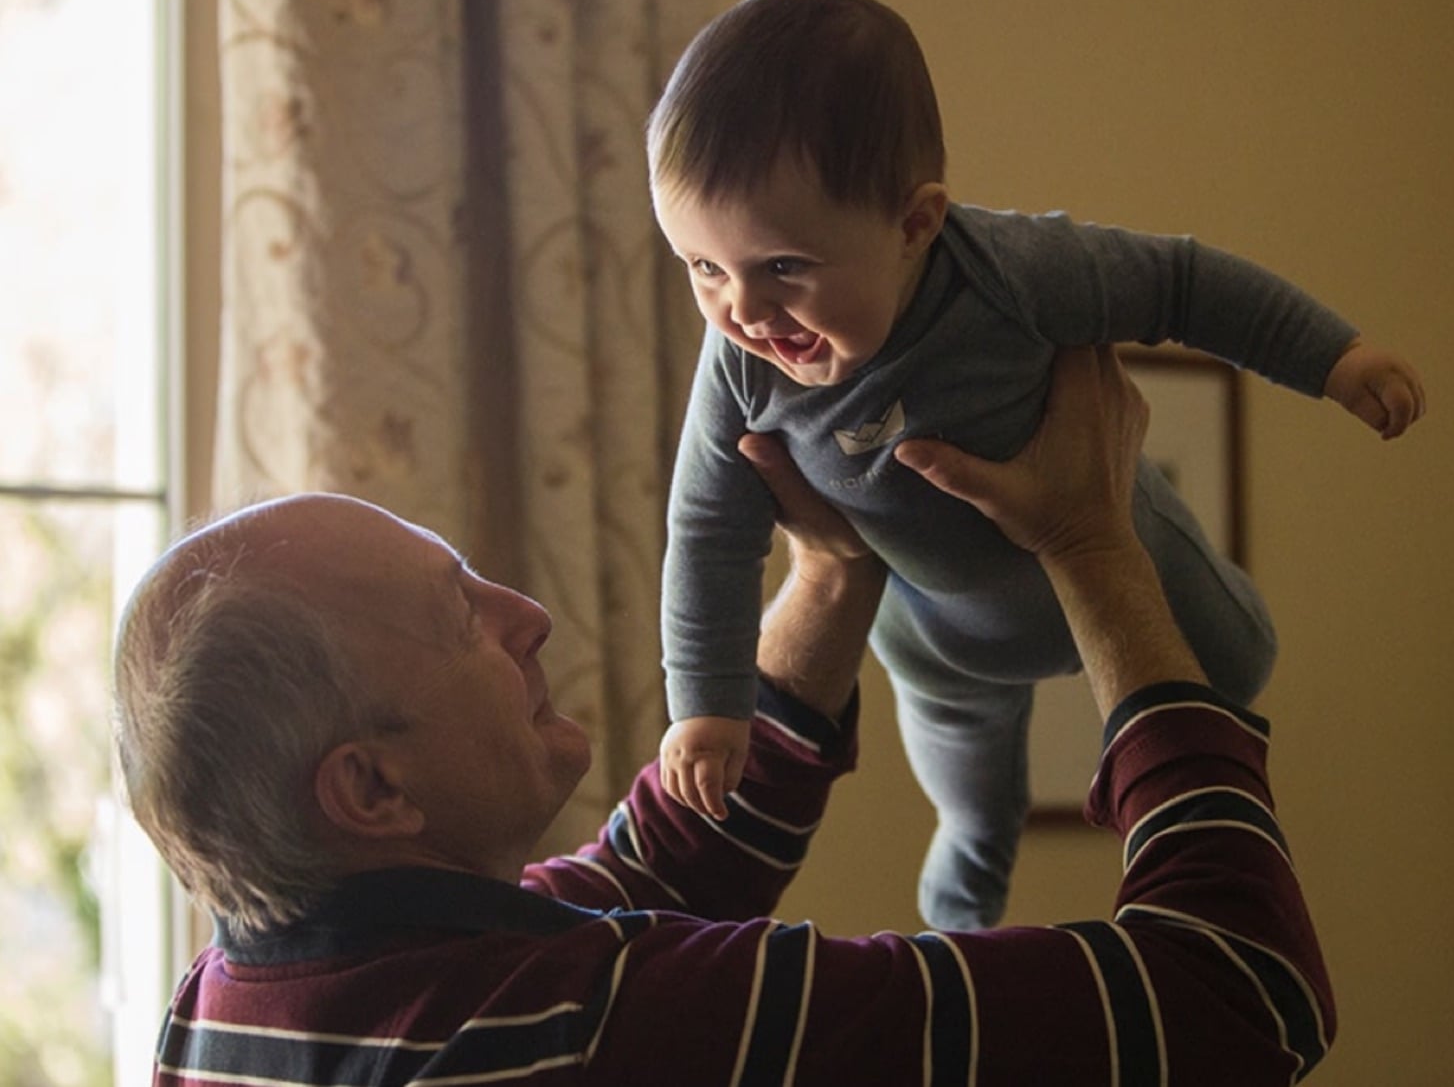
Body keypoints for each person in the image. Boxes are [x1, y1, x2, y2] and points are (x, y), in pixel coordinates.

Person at [115, 346, 1336, 1085]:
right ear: (372, 790)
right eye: (459, 617)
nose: (525, 612)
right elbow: (1233, 998)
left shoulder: (232, 998)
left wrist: (828, 576)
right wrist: (1091, 542)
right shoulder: (593, 1026)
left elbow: (663, 866)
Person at [649, 0, 1426, 929]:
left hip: (1118, 544)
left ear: (914, 225)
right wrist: (708, 705)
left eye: (783, 267)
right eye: (702, 267)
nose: (744, 311)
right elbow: (708, 532)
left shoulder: (1012, 273)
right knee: (975, 809)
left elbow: (1182, 283)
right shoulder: (739, 366)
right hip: (941, 640)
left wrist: (1335, 358)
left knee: (1240, 663)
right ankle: (961, 926)